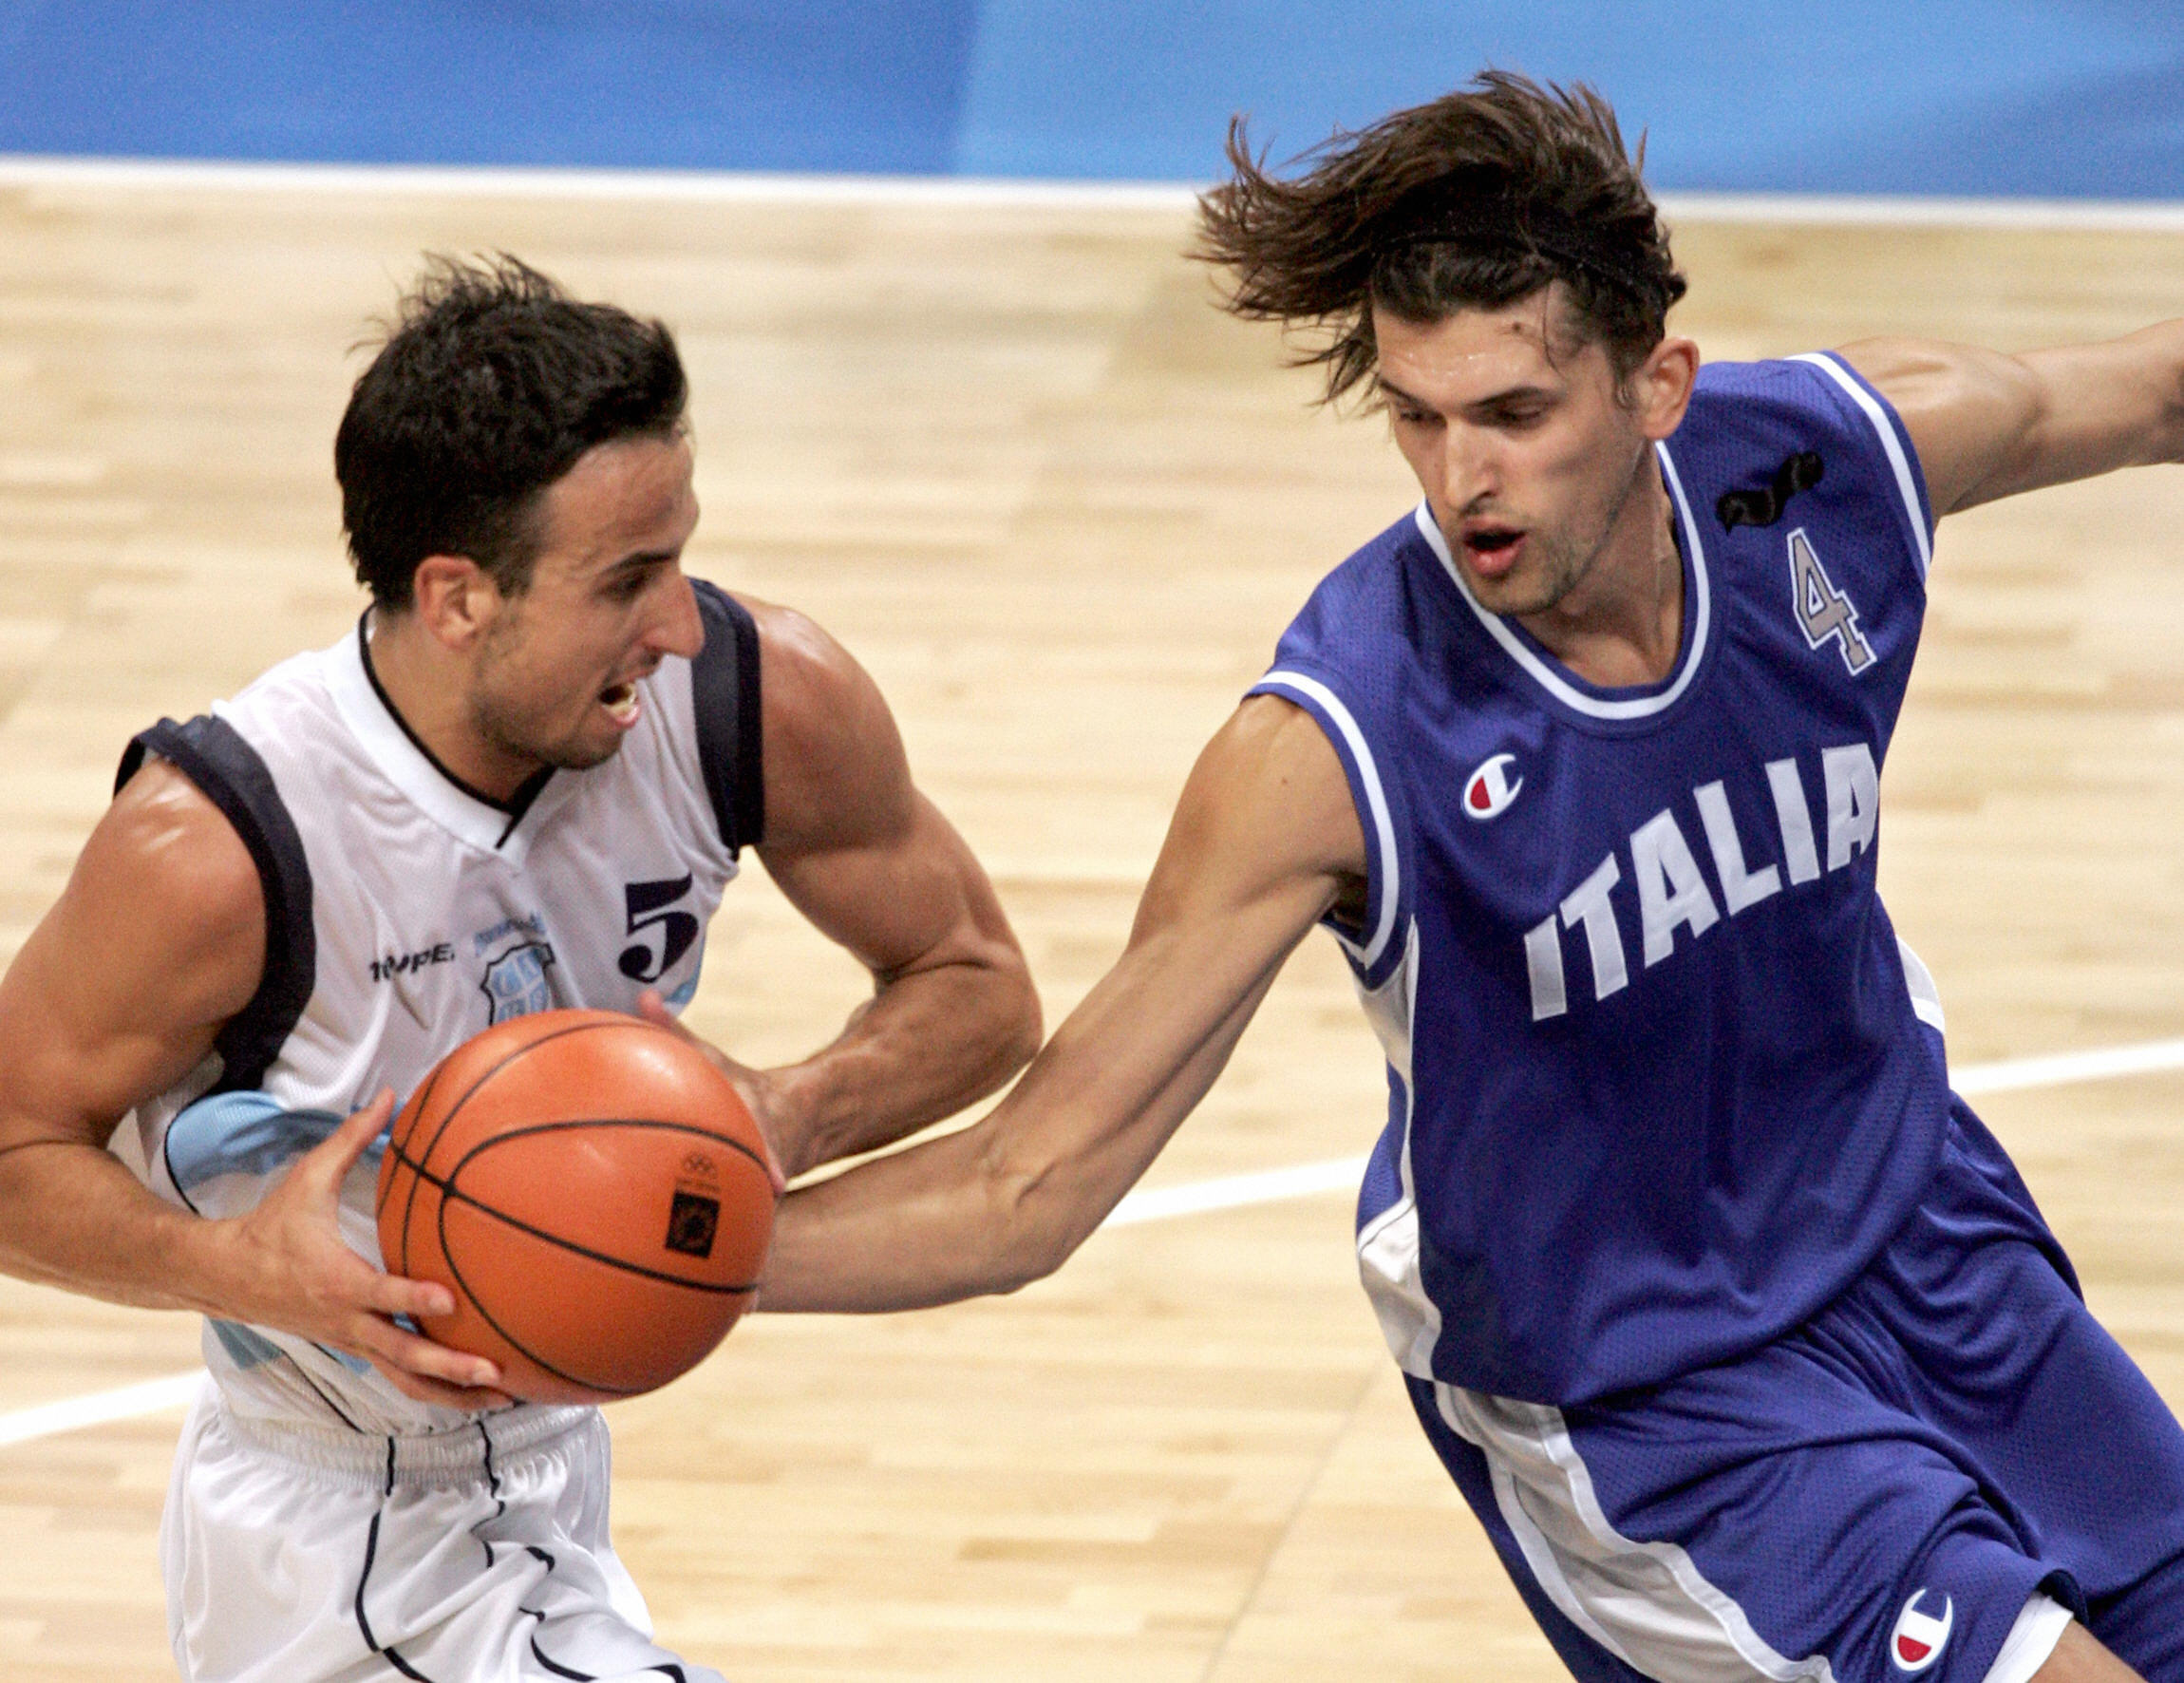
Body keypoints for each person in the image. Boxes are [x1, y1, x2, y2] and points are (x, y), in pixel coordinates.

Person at [730, 74, 2184, 1683]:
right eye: (1416, 416)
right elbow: (1027, 1187)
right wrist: (677, 1268)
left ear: (1659, 388)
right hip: (1648, 1391)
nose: (1456, 479)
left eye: (1511, 415)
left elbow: (2150, 391)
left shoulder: (1825, 471)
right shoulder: (1329, 741)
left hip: (1926, 1235)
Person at [0, 256, 1040, 1683]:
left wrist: (786, 1114)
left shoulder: (751, 697)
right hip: (340, 1529)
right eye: (627, 580)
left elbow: (977, 984)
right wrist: (230, 1268)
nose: (677, 622)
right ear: (459, 598)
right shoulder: (223, 847)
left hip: (543, 1478)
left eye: (680, 554)